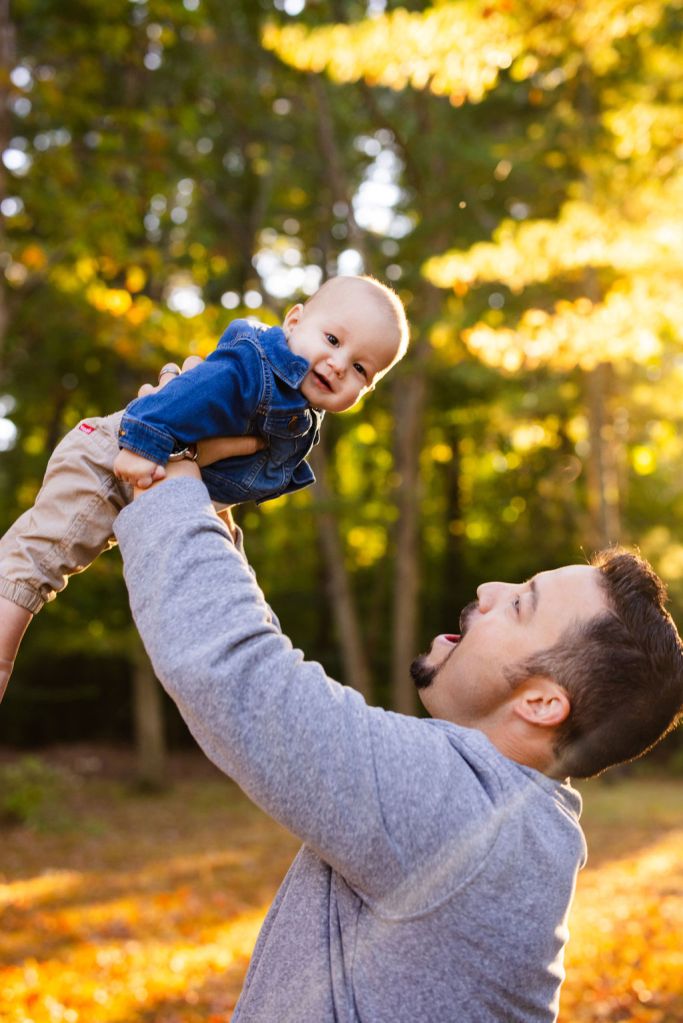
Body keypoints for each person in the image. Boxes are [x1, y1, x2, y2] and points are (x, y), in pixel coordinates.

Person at [110, 365, 683, 1022]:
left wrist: (167, 465)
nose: (490, 590)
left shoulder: (465, 816)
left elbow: (238, 676)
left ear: (541, 703)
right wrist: (205, 501)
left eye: (520, 604)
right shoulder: (510, 820)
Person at [0, 274, 409, 700]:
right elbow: (189, 393)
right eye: (332, 339)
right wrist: (144, 441)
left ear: (368, 387)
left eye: (360, 368)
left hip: (164, 484)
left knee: (224, 592)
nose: (339, 364)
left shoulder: (301, 416)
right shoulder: (256, 365)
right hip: (112, 456)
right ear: (293, 322)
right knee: (38, 557)